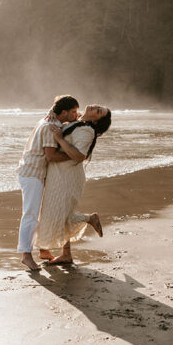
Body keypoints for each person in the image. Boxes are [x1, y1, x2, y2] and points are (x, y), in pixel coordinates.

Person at [37, 104, 112, 265]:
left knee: (59, 214)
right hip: (59, 174)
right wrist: (52, 113)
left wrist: (59, 140)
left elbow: (79, 155)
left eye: (98, 111)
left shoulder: (87, 130)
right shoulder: (77, 121)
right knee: (58, 214)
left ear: (97, 121)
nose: (94, 107)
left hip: (68, 177)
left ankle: (89, 219)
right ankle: (66, 254)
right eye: (97, 106)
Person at [17, 95, 80, 271]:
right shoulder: (51, 127)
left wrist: (55, 111)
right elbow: (51, 156)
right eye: (74, 112)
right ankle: (26, 256)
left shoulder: (52, 120)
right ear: (64, 112)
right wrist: (75, 156)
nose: (77, 115)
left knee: (38, 213)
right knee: (30, 214)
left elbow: (76, 118)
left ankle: (43, 250)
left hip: (33, 172)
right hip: (32, 173)